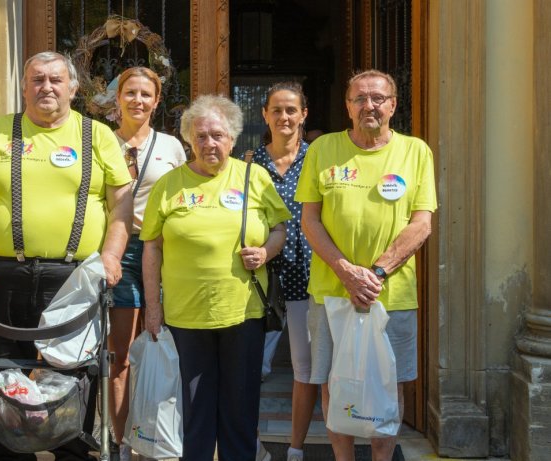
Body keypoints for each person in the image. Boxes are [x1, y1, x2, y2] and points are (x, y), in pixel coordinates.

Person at [0, 51, 133, 461]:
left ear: (73, 88)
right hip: (2, 275)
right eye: (37, 79)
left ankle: (71, 453)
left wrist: (111, 255)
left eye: (56, 80)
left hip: (73, 278)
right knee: (2, 373)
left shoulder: (98, 135)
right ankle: (6, 453)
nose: (46, 87)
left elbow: (121, 205)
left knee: (73, 377)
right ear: (24, 86)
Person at [295, 69, 437, 461]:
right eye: (359, 98)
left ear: (392, 104)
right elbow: (310, 220)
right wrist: (345, 271)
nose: (368, 105)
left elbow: (421, 222)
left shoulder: (415, 151)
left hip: (390, 294)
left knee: (389, 385)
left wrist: (375, 273)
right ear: (347, 106)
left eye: (377, 98)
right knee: (332, 383)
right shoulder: (323, 149)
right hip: (331, 294)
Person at [141, 94, 291, 461]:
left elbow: (280, 229)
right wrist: (153, 308)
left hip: (242, 312)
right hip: (185, 316)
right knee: (195, 410)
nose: (210, 143)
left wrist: (266, 251)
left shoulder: (254, 177)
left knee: (240, 409)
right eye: (202, 136)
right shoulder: (169, 184)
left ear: (233, 139)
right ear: (190, 140)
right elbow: (152, 249)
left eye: (218, 135)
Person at [109, 66, 187, 461]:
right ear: (117, 97)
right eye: (130, 92)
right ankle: (123, 443)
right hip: (118, 251)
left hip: (162, 251)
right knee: (120, 354)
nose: (137, 100)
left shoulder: (172, 146)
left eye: (145, 94)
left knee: (158, 344)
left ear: (157, 101)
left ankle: (154, 439)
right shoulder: (102, 142)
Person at [244, 82, 314, 461]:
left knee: (305, 369)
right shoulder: (249, 163)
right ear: (265, 115)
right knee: (253, 367)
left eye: (291, 110)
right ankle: (252, 445)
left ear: (304, 114)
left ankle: (296, 449)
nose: (284, 117)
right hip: (262, 280)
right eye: (277, 110)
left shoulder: (319, 159)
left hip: (308, 277)